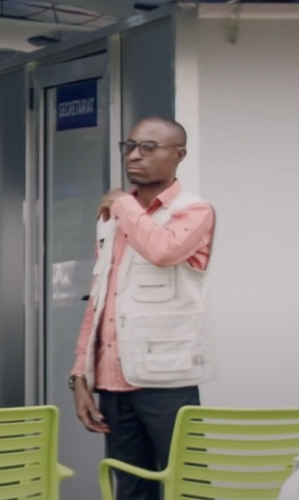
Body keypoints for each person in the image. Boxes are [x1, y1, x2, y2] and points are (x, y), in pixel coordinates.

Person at [69, 117, 217, 500]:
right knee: (131, 488)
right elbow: (98, 301)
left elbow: (163, 249)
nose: (134, 155)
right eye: (129, 146)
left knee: (187, 486)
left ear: (178, 155)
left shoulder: (195, 211)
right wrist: (79, 376)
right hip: (112, 381)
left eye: (148, 148)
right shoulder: (115, 217)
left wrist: (121, 204)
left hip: (168, 379)